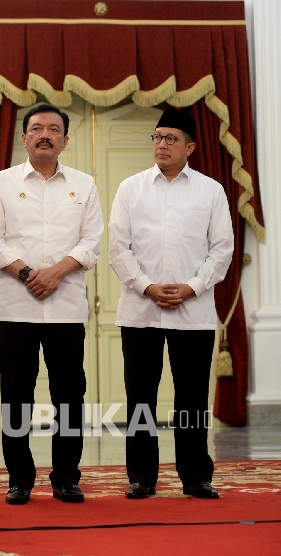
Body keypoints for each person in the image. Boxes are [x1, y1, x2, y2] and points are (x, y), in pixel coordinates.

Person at [0, 103, 104, 505]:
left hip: (66, 307)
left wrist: (56, 272)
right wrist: (29, 273)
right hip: (17, 306)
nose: (44, 134)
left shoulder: (84, 184)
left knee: (70, 395)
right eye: (36, 128)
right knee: (17, 395)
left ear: (65, 139)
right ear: (24, 138)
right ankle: (20, 479)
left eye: (53, 128)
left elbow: (92, 242)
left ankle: (67, 477)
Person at [108, 107, 234, 500]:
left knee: (191, 398)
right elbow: (117, 248)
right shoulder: (130, 188)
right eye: (157, 137)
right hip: (140, 310)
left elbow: (222, 249)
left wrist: (192, 287)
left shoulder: (210, 190)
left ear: (190, 147)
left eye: (171, 139)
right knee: (140, 396)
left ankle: (196, 476)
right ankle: (141, 476)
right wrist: (146, 286)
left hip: (193, 312)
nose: (161, 145)